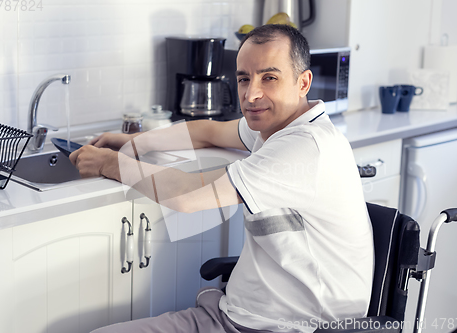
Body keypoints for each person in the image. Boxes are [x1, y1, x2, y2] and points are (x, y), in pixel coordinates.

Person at [70, 24, 374, 333]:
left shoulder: (305, 148)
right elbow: (208, 131)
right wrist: (131, 141)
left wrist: (111, 164)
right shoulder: (279, 126)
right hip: (238, 316)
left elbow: (188, 196)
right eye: (244, 78)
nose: (252, 93)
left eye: (269, 77)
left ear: (303, 82)